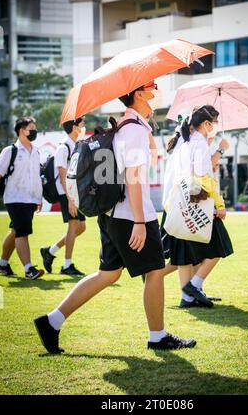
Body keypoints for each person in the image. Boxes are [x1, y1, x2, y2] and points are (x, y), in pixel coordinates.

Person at [33, 81, 197, 354]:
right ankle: (157, 336)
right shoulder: (131, 131)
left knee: (107, 274)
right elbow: (133, 179)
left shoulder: (130, 128)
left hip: (115, 214)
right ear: (139, 93)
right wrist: (141, 222)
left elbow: (151, 163)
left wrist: (149, 129)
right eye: (153, 86)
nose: (157, 89)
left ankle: (51, 322)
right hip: (131, 215)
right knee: (155, 271)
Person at [160, 106, 233, 308]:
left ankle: (189, 295)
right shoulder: (198, 143)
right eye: (213, 123)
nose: (215, 126)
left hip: (181, 202)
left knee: (186, 254)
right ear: (206, 124)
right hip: (198, 202)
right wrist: (219, 203)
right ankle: (192, 286)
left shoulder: (188, 142)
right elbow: (203, 176)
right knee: (219, 246)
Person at [0, 117, 44, 280]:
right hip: (14, 198)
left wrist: (39, 198)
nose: (34, 131)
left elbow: (37, 177)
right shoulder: (10, 151)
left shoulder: (36, 151)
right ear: (21, 130)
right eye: (32, 128)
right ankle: (29, 269)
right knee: (22, 233)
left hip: (30, 200)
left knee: (16, 231)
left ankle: (2, 264)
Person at [40, 117, 86, 276]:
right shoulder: (63, 147)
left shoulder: (75, 145)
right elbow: (62, 174)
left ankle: (50, 251)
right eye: (82, 124)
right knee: (74, 226)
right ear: (75, 127)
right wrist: (70, 199)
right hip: (66, 193)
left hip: (74, 193)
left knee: (81, 228)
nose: (84, 126)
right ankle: (67, 265)